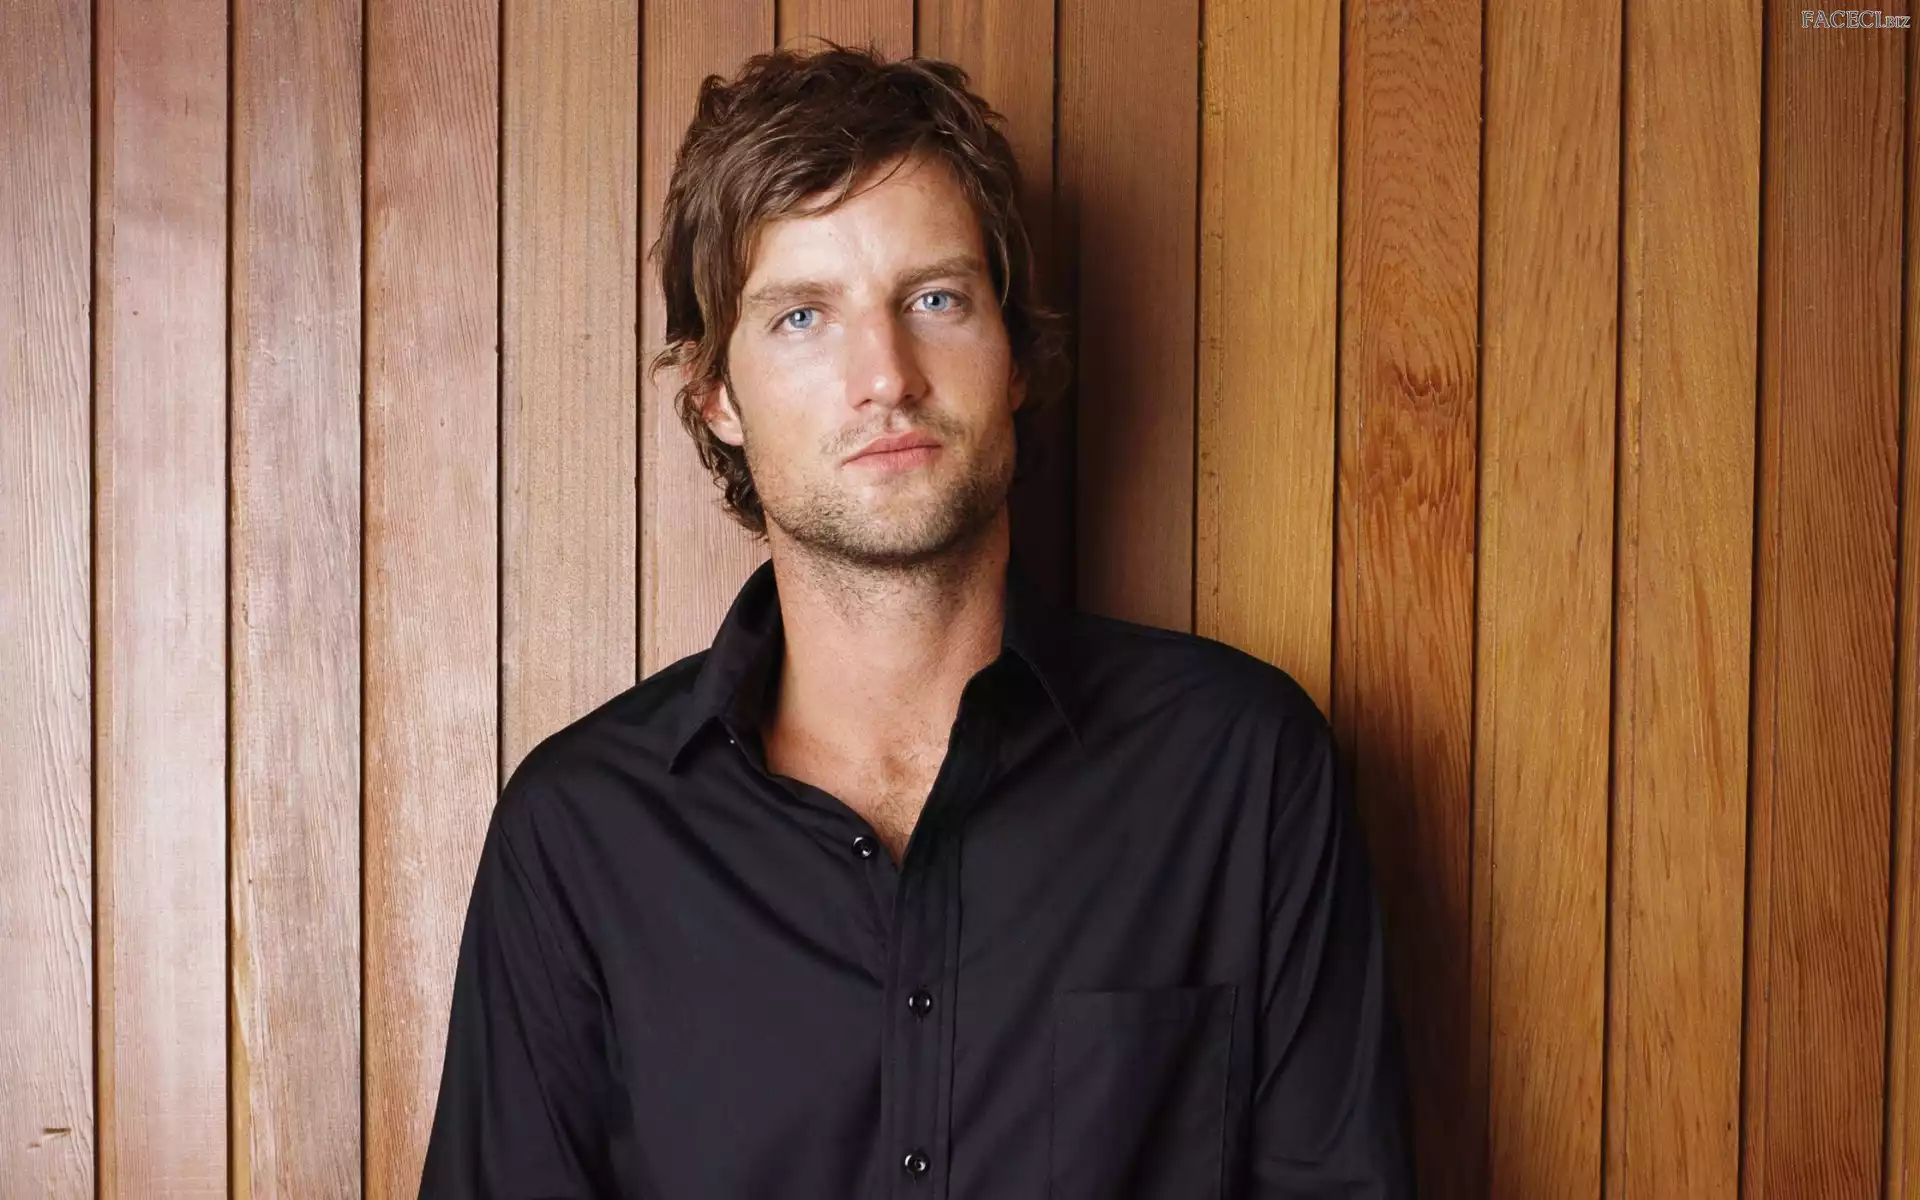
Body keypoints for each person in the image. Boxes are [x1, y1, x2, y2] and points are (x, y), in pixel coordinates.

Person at [420, 45, 1413, 1199]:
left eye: (935, 299)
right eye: (802, 317)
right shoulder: (578, 835)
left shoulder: (1240, 770)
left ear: (1016, 356)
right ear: (717, 395)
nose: (885, 375)